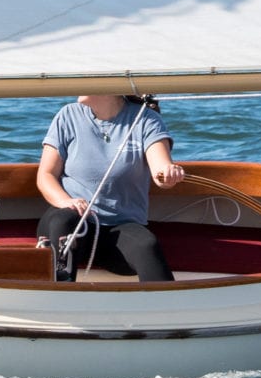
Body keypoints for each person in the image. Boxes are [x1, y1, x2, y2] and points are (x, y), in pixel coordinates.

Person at [35, 93, 186, 282]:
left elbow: (160, 170)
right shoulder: (68, 115)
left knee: (146, 245)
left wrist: (168, 173)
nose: (77, 84)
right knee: (65, 221)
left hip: (118, 230)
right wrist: (66, 202)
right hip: (72, 222)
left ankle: (167, 300)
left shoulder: (146, 119)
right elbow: (46, 175)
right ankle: (59, 293)